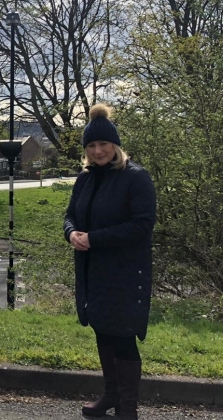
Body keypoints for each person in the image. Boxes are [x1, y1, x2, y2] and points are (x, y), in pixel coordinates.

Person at [64, 103, 156, 420]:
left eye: (103, 144)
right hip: (94, 272)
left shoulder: (135, 177)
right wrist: (72, 233)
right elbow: (71, 216)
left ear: (115, 145)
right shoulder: (85, 179)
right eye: (91, 145)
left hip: (126, 272)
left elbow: (142, 225)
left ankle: (128, 408)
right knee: (103, 332)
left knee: (123, 336)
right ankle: (111, 395)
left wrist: (94, 239)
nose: (98, 150)